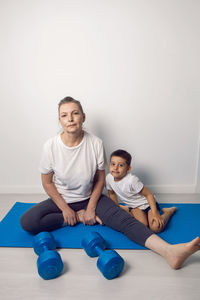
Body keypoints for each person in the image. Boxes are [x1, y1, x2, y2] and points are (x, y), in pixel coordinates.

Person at [20, 96, 200, 270]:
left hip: (92, 198)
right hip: (62, 199)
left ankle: (170, 252)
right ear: (59, 120)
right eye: (64, 115)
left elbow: (100, 179)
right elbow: (47, 183)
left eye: (75, 113)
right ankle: (76, 217)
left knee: (126, 222)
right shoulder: (50, 146)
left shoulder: (95, 143)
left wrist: (91, 208)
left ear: (83, 117)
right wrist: (66, 210)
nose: (70, 119)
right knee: (28, 221)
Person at [106, 149, 177, 233]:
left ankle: (169, 212)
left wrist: (155, 213)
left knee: (156, 228)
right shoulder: (108, 178)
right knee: (142, 226)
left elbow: (149, 195)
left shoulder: (132, 180)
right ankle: (128, 209)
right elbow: (112, 193)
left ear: (128, 168)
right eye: (113, 164)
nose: (115, 168)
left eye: (121, 165)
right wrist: (116, 208)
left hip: (147, 204)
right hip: (134, 207)